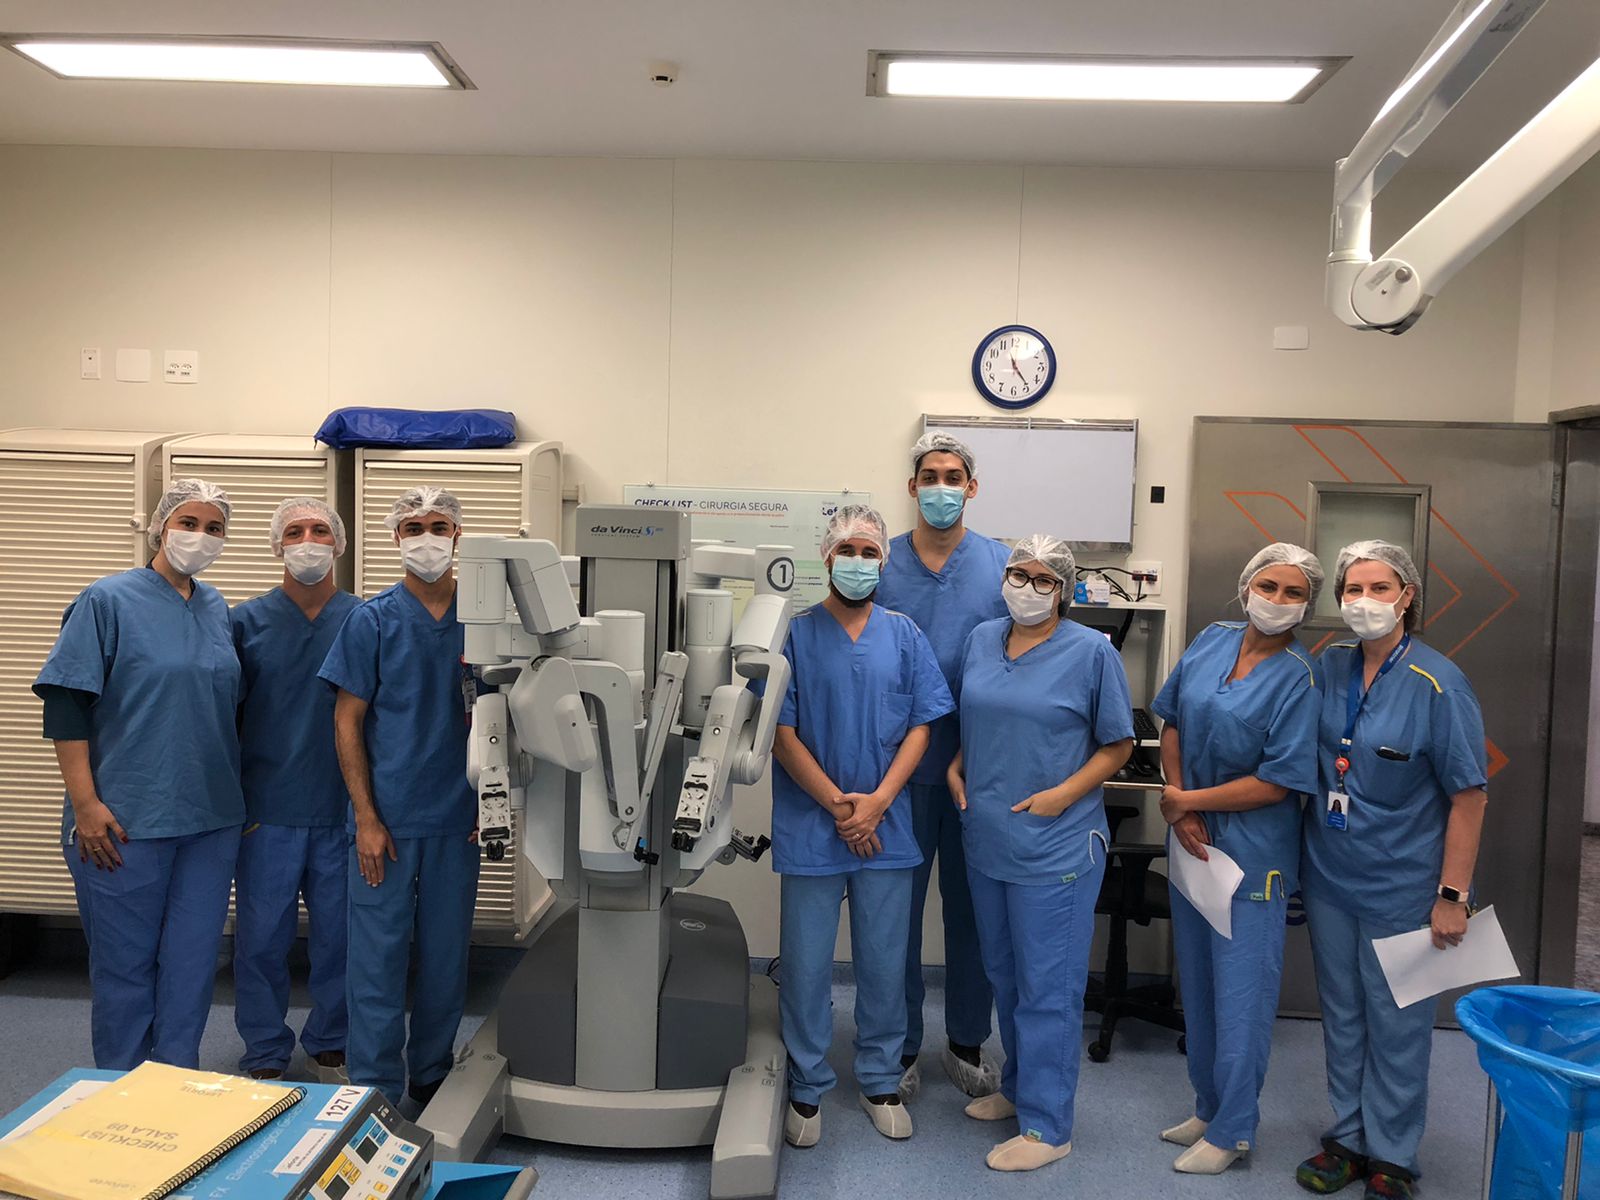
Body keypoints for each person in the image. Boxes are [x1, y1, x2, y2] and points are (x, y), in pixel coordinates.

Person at [1294, 540, 1488, 1200]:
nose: (1365, 601)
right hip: (1330, 875)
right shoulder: (1330, 666)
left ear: (1408, 597)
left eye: (1380, 588)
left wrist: (1453, 895)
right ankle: (1348, 1139)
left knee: (1398, 1023)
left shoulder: (1440, 684)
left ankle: (1393, 1154)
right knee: (1343, 1014)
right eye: (1353, 588)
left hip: (1404, 883)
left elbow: (1469, 797)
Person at [33, 478, 243, 1070]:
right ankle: (120, 1088)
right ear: (159, 527)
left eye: (214, 528)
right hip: (123, 819)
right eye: (188, 523)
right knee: (125, 967)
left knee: (192, 964)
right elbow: (66, 704)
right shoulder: (107, 601)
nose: (200, 536)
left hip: (210, 818)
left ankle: (174, 1079)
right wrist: (86, 804)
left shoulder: (216, 609)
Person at [947, 534, 1134, 1172]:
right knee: (1004, 974)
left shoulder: (1091, 652)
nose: (1027, 588)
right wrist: (958, 763)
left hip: (1056, 845)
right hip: (989, 837)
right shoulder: (982, 639)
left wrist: (1062, 795)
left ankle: (1049, 1125)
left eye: (1043, 579)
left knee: (1047, 988)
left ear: (1064, 589)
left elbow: (1118, 744)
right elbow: (980, 716)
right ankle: (1019, 1087)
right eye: (1017, 574)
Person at [770, 504, 954, 1150]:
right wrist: (840, 807)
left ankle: (879, 1079)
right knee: (805, 965)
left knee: (884, 962)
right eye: (846, 550)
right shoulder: (795, 636)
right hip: (813, 825)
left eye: (868, 551)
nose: (857, 561)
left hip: (887, 826)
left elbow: (922, 726)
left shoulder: (905, 636)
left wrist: (877, 803)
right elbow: (781, 734)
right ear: (826, 558)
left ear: (883, 561)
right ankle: (807, 1083)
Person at [1150, 543, 1323, 1174]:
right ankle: (1208, 1106)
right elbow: (1172, 721)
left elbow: (1277, 783)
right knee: (1197, 986)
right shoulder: (1212, 639)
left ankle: (1233, 1130)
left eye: (1293, 593)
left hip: (1254, 857)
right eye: (1268, 587)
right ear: (1247, 585)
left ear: (1307, 605)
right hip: (1194, 843)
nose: (1277, 601)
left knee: (1242, 999)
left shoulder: (1300, 678)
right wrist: (1180, 805)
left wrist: (1187, 801)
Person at [318, 486, 480, 1109]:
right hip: (385, 821)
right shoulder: (372, 620)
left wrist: (495, 806)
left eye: (439, 526)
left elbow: (510, 719)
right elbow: (347, 721)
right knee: (376, 960)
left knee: (445, 959)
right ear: (395, 538)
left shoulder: (484, 618)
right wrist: (365, 817)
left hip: (457, 819)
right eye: (414, 527)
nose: (427, 538)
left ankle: (432, 1071)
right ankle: (376, 1084)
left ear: (457, 534)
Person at [875, 431, 1010, 1101]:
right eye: (929, 476)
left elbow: (1019, 656)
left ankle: (965, 1040)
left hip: (973, 768)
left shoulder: (1001, 566)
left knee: (973, 911)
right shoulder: (881, 563)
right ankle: (898, 1044)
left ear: (972, 487)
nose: (940, 487)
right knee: (893, 915)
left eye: (953, 476)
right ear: (912, 486)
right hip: (896, 769)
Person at [231, 497, 362, 1083]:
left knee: (342, 938)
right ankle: (264, 1047)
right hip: (267, 810)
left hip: (344, 809)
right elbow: (222, 717)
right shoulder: (243, 623)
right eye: (294, 531)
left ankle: (331, 1038)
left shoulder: (364, 619)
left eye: (319, 531)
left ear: (339, 543)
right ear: (276, 545)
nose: (307, 541)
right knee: (260, 940)